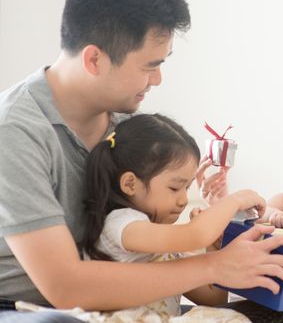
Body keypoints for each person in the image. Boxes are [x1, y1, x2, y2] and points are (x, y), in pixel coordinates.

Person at [0, 0, 283, 322]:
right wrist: (214, 265)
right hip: (34, 309)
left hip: (126, 303)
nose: (157, 80)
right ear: (94, 60)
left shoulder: (127, 129)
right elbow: (64, 288)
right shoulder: (15, 131)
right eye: (150, 66)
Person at [82, 113, 266, 318]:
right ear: (130, 184)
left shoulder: (161, 244)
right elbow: (194, 235)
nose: (184, 200)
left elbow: (215, 299)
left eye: (187, 188)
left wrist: (212, 247)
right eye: (175, 187)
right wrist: (234, 201)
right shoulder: (122, 224)